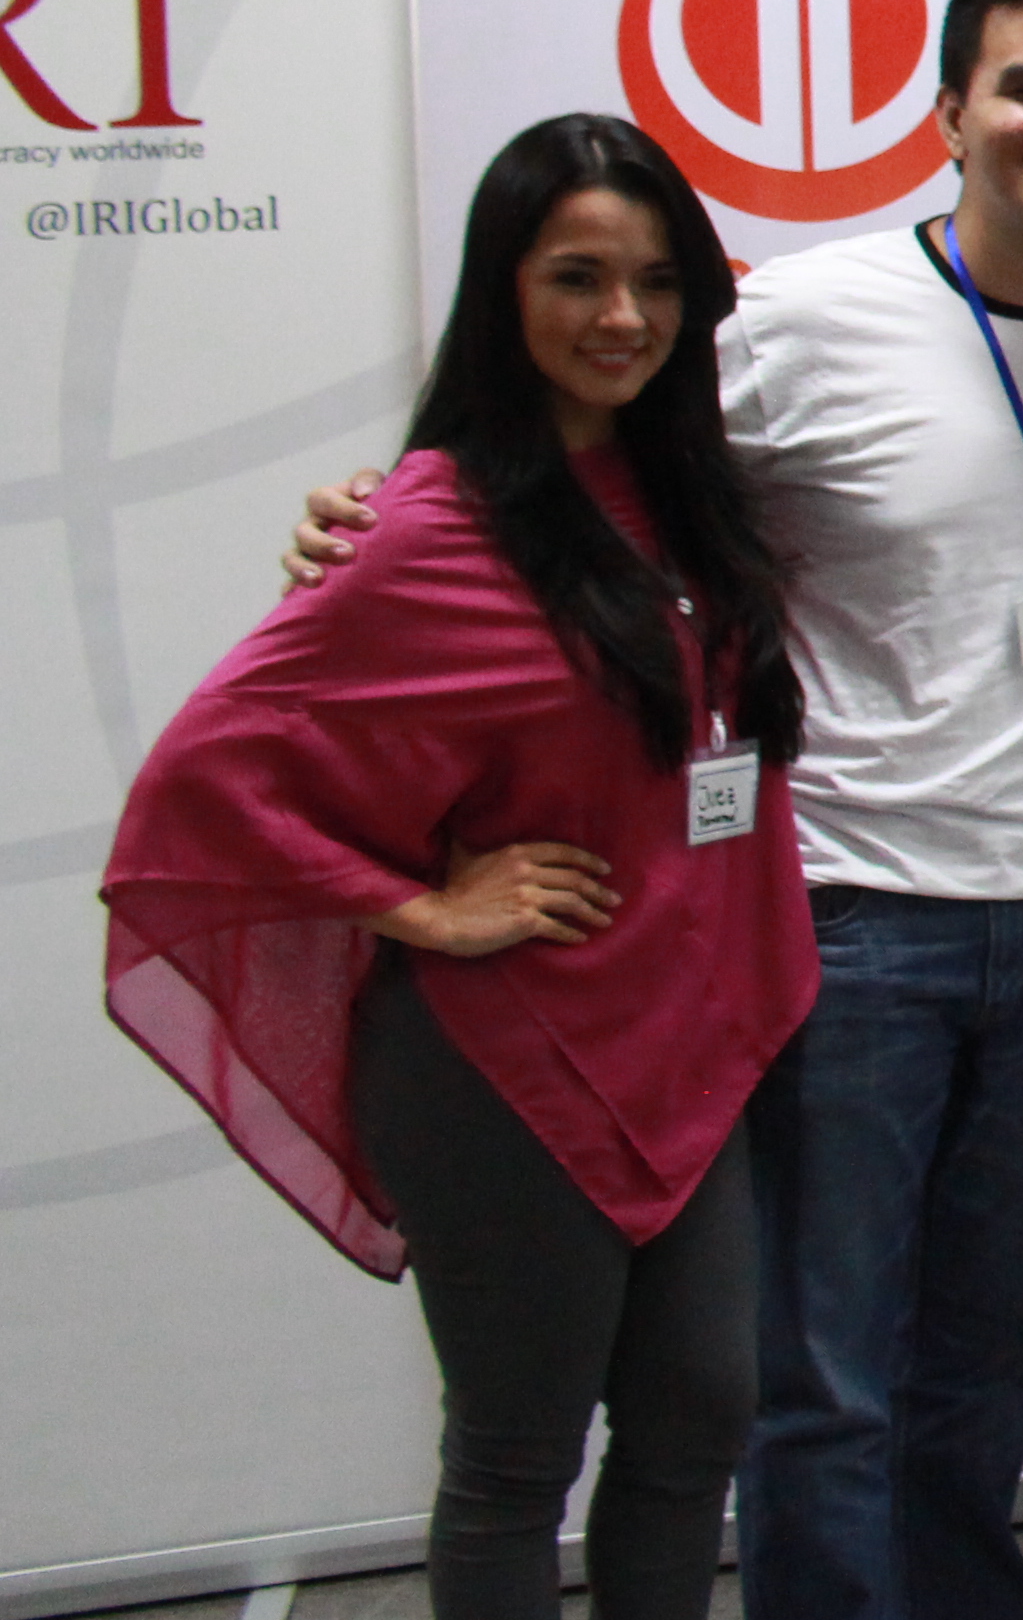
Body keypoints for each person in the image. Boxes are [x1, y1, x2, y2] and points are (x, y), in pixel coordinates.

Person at [310, 0, 1023, 1620]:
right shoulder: (804, 312)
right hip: (852, 921)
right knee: (827, 1377)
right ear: (948, 111)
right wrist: (384, 507)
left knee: (994, 1354)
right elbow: (573, 437)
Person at [113, 116, 811, 1620]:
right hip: (506, 1061)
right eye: (575, 277)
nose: (621, 318)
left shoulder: (692, 488)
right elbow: (203, 780)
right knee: (515, 1454)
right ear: (501, 292)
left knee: (699, 1417)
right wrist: (423, 905)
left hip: (687, 1037)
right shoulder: (421, 528)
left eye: (656, 282)